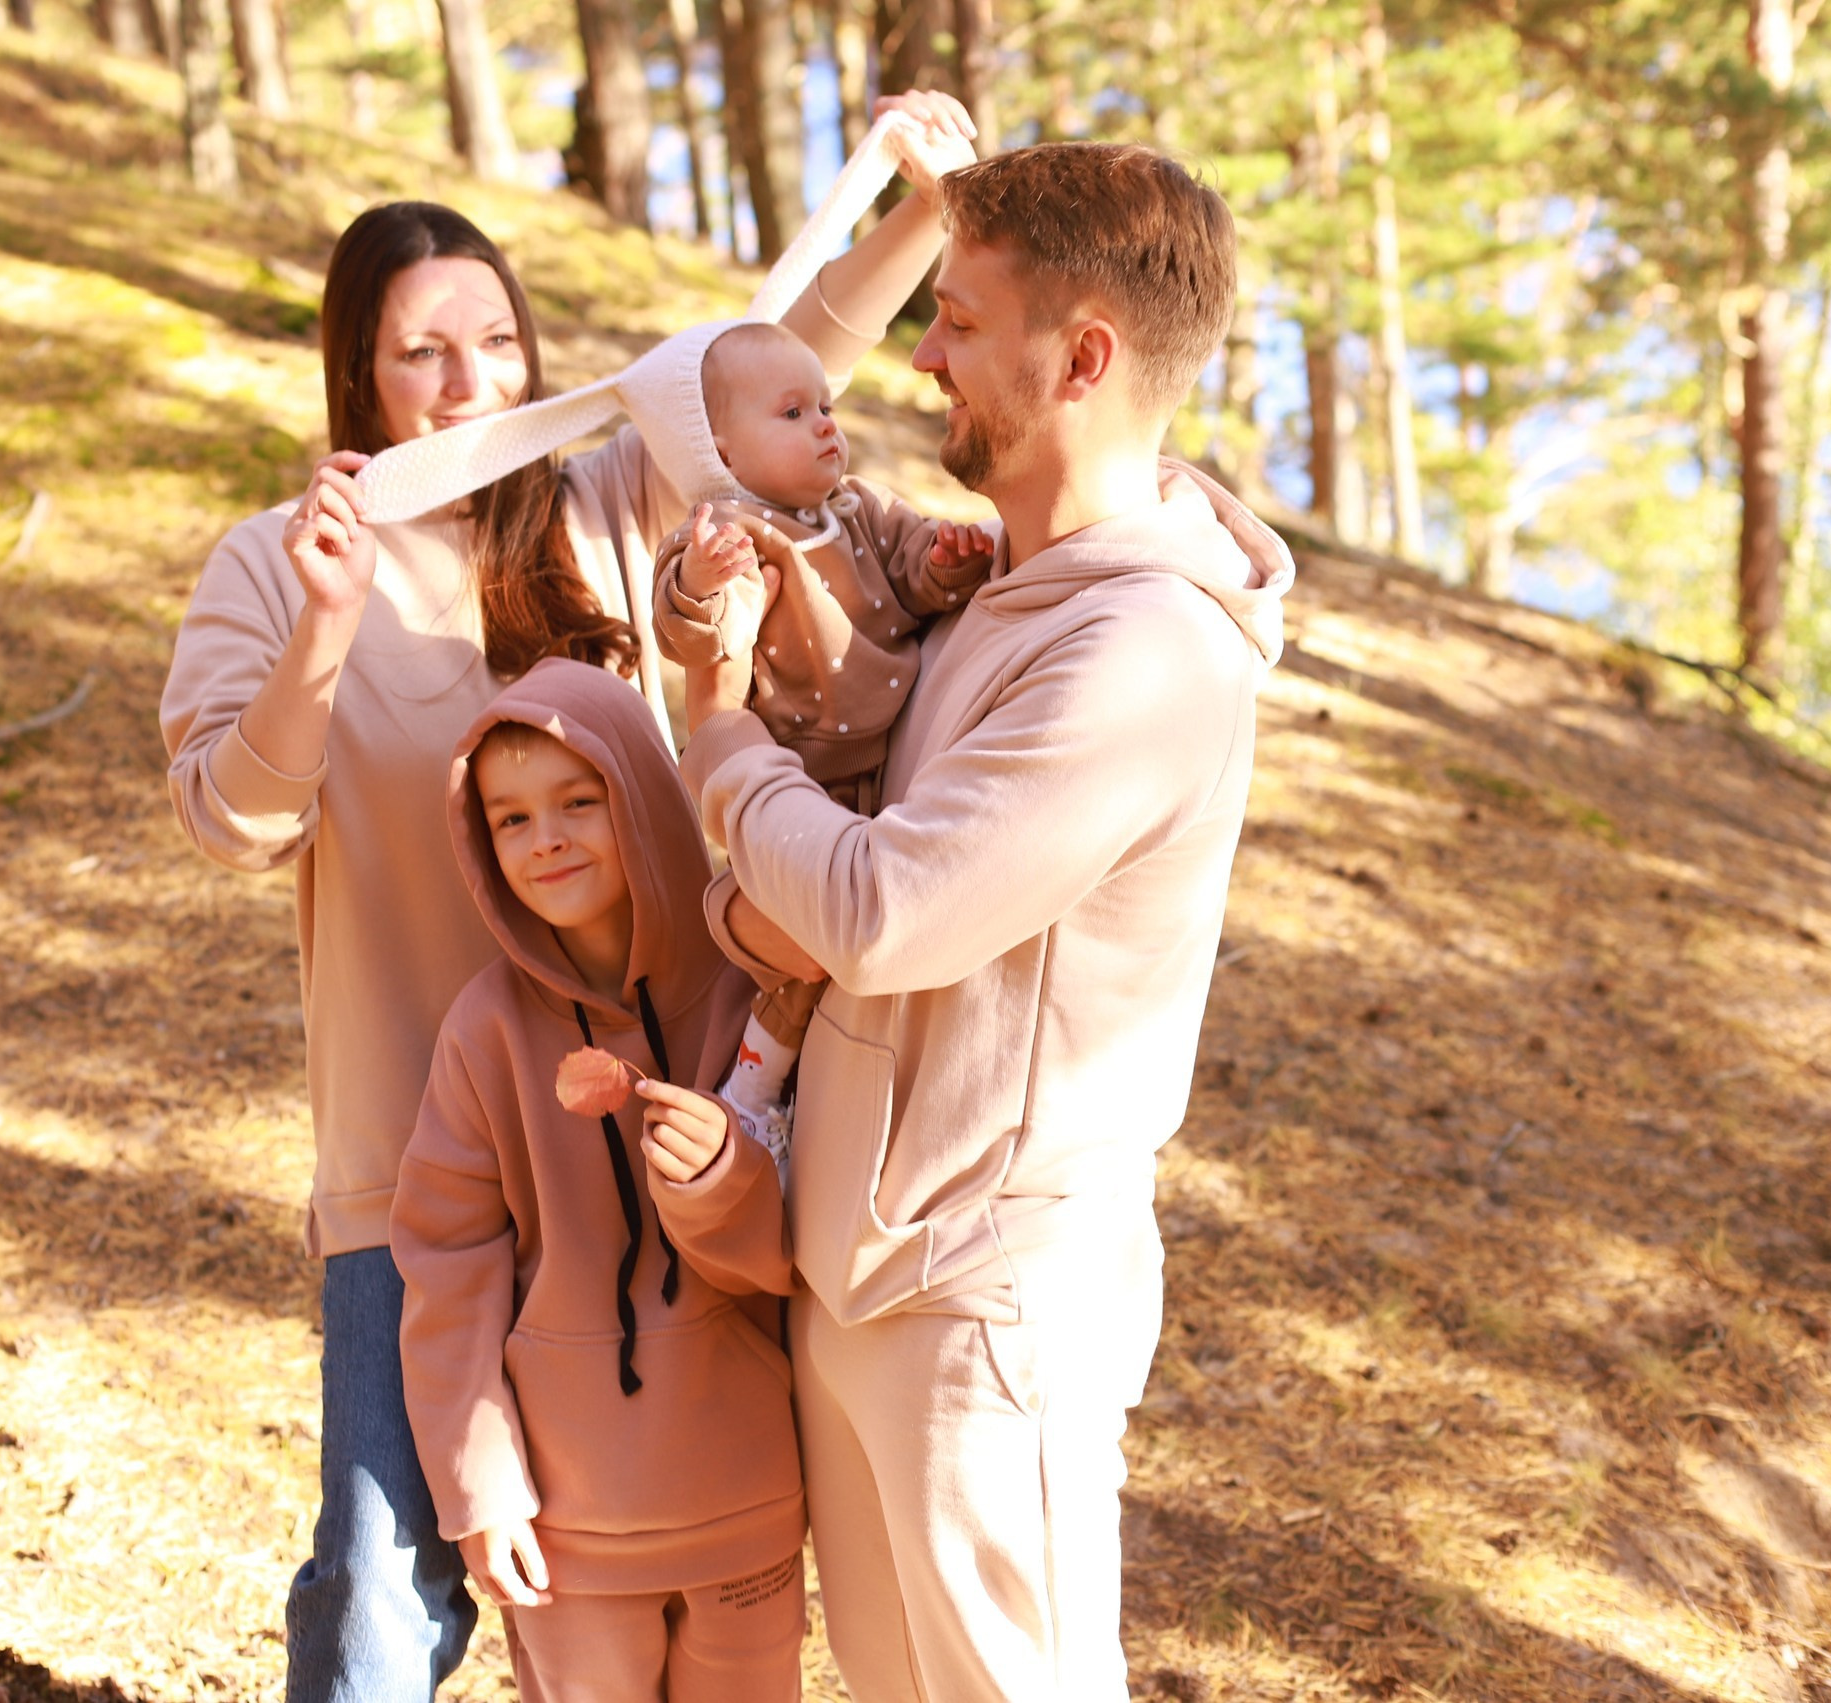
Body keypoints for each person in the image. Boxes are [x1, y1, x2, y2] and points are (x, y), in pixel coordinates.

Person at [157, 87, 975, 1703]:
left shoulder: (605, 499)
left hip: (654, 1129)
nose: (472, 381)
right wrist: (322, 636)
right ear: (360, 376)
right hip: (419, 1165)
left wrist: (926, 208)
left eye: (495, 339)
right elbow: (230, 822)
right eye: (424, 352)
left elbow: (775, 354)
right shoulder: (273, 564)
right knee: (394, 1586)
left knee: (655, 1576)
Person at [673, 144, 1298, 1701]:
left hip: (988, 1303)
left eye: (956, 319)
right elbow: (841, 882)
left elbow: (886, 906)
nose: (922, 351)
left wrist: (712, 730)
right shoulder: (998, 588)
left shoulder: (1142, 650)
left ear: (1081, 356)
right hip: (873, 1265)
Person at [393, 658, 801, 1702]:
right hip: (567, 1518)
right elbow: (449, 1267)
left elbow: (787, 1253)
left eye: (581, 801)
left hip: (743, 1492)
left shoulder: (755, 990)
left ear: (644, 797)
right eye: (512, 818)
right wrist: (480, 1485)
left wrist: (720, 1183)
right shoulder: (485, 1027)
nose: (549, 839)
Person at [649, 321, 996, 1163]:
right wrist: (699, 579)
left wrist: (946, 559)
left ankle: (804, 1101)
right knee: (799, 956)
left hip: (883, 775)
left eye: (827, 406)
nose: (826, 427)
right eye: (794, 411)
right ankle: (755, 1089)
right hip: (797, 782)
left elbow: (913, 565)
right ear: (721, 450)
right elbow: (691, 628)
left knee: (862, 943)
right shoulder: (731, 530)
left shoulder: (859, 509)